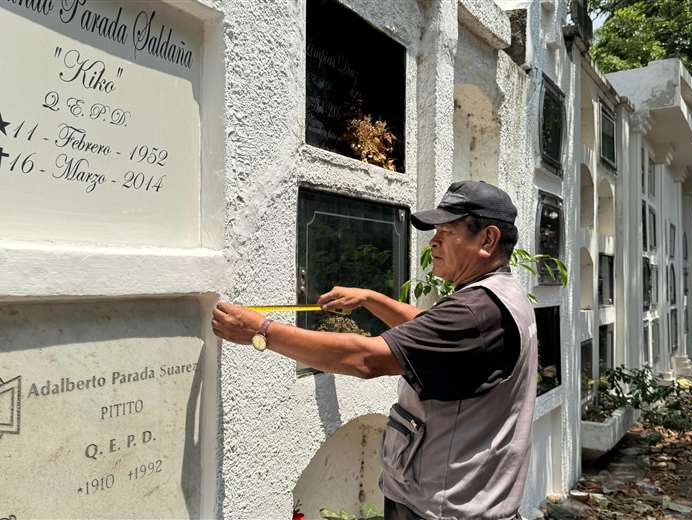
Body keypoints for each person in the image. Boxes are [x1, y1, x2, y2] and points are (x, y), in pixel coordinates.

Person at [212, 180, 537, 520]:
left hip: (442, 510)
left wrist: (259, 331)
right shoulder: (501, 296)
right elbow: (431, 325)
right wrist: (370, 298)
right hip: (470, 500)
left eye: (446, 231)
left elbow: (364, 359)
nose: (434, 242)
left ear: (487, 239)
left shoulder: (474, 312)